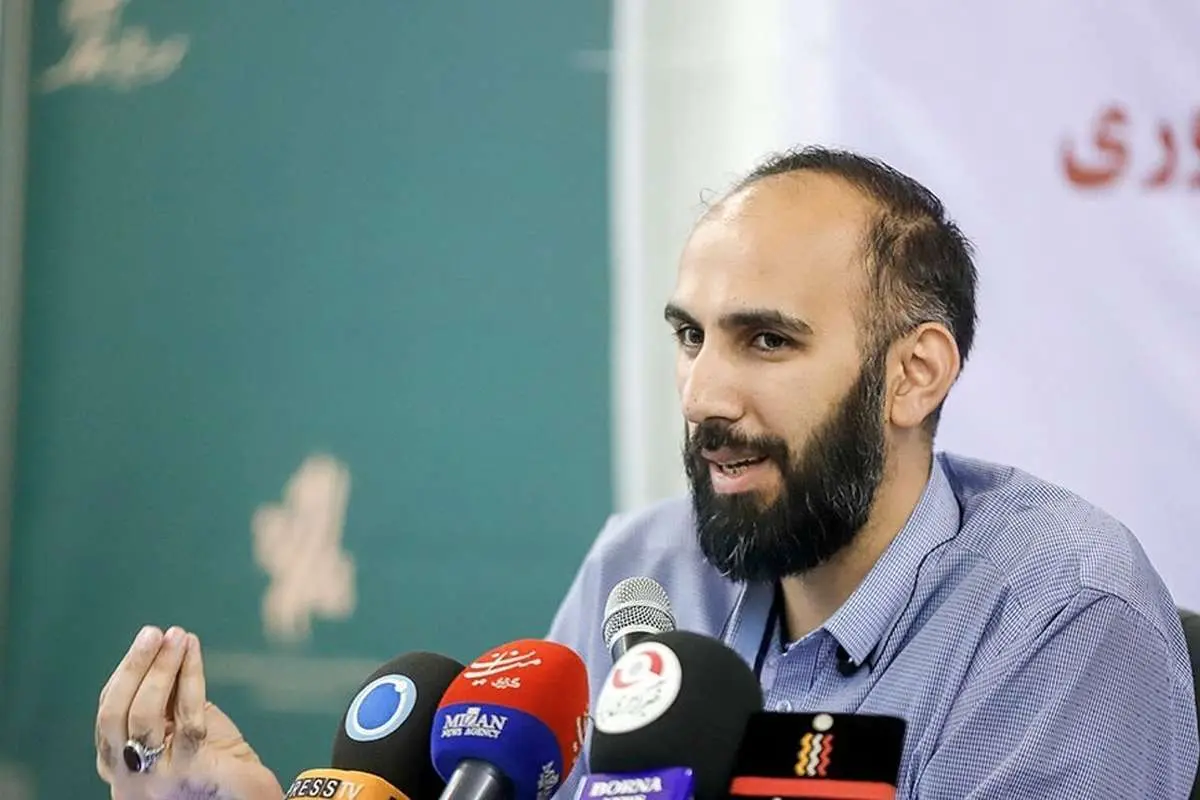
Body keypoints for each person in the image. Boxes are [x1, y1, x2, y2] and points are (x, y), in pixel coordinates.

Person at [93, 147, 1199, 800]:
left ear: (914, 375)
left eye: (766, 340)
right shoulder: (645, 564)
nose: (704, 393)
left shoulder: (1063, 613)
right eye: (690, 336)